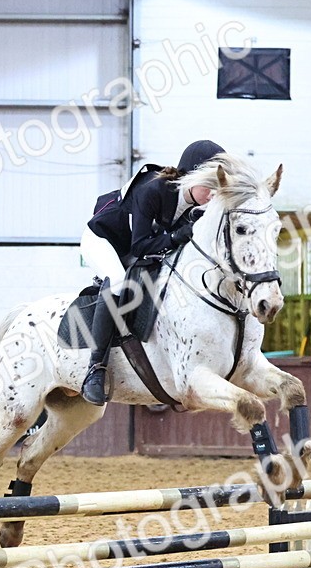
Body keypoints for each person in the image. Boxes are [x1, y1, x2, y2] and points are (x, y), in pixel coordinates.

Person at [78, 139, 226, 405]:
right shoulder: (153, 190)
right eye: (210, 185)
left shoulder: (198, 206)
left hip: (135, 245)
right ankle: (95, 369)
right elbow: (140, 246)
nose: (214, 195)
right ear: (191, 177)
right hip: (103, 240)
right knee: (118, 282)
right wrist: (176, 236)